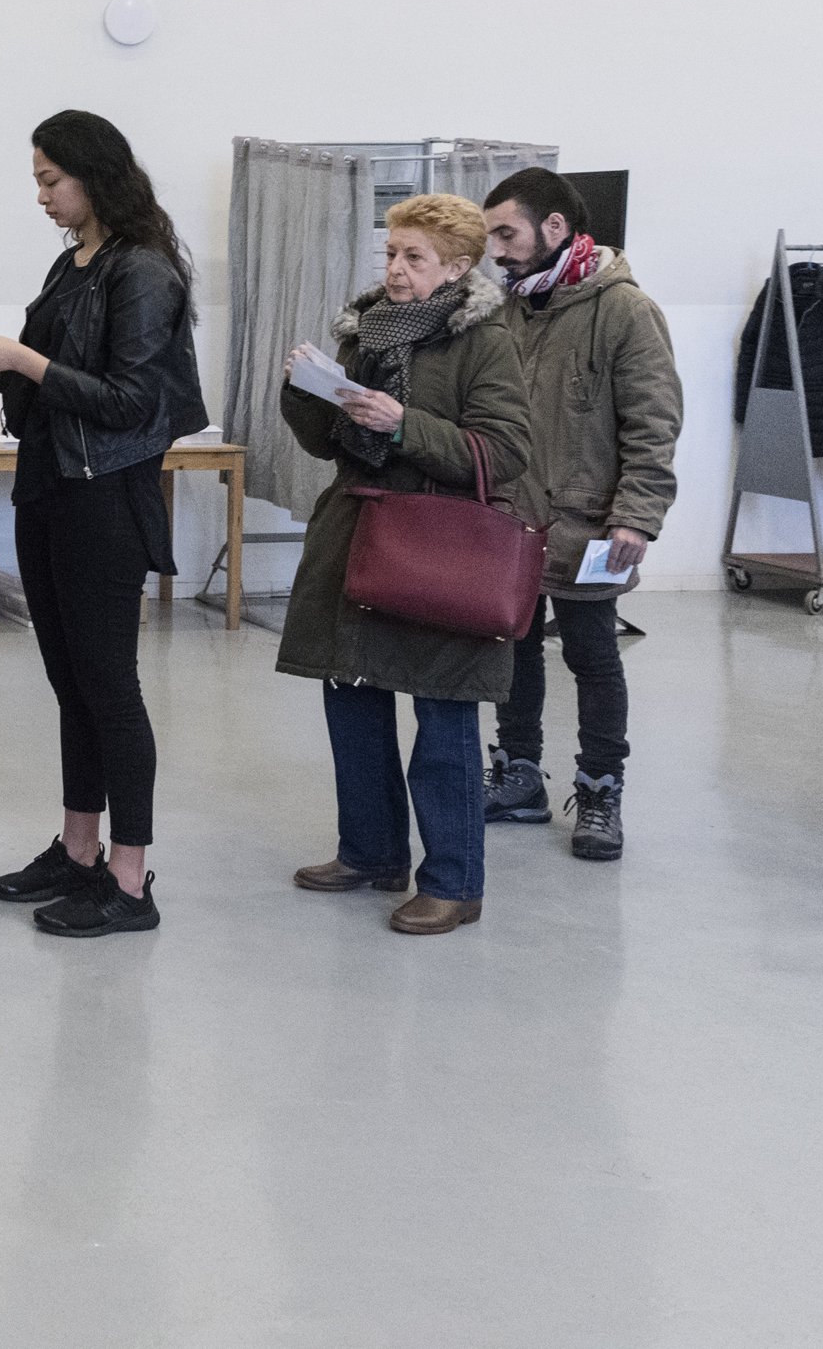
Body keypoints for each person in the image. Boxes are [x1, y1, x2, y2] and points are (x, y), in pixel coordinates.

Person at [0, 110, 204, 937]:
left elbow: (130, 401)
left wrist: (22, 359)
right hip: (51, 485)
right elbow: (56, 379)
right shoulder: (75, 265)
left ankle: (129, 881)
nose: (44, 196)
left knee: (110, 689)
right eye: (38, 182)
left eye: (52, 180)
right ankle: (79, 850)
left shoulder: (144, 271)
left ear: (96, 174)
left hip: (106, 499)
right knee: (69, 683)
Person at [276, 194, 536, 935]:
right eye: (390, 253)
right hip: (358, 536)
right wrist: (306, 390)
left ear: (457, 267)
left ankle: (454, 882)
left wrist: (403, 425)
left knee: (443, 710)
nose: (394, 268)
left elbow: (505, 450)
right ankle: (370, 851)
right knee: (351, 697)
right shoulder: (366, 331)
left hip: (436, 550)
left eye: (413, 256)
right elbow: (327, 442)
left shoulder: (485, 341)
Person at [477, 167, 683, 861]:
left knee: (594, 656)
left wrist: (637, 515)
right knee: (514, 649)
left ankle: (599, 790)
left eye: (507, 232)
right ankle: (518, 775)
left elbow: (653, 424)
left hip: (591, 527)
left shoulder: (623, 309)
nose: (497, 249)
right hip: (512, 521)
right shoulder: (508, 306)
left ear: (555, 228)